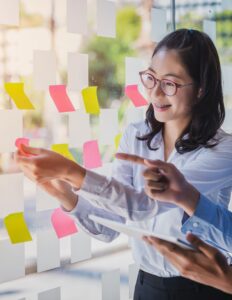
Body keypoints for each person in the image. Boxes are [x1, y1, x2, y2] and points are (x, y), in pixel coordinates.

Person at [15, 29, 232, 299]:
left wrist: (72, 171)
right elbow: (110, 226)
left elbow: (143, 207)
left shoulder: (223, 150)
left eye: (170, 83)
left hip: (206, 287)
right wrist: (64, 192)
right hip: (147, 286)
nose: (155, 92)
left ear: (201, 89)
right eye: (151, 78)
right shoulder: (137, 135)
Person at [116, 154, 232, 294]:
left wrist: (227, 281)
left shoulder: (223, 149)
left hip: (209, 283)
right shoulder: (137, 138)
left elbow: (137, 204)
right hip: (148, 284)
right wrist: (185, 196)